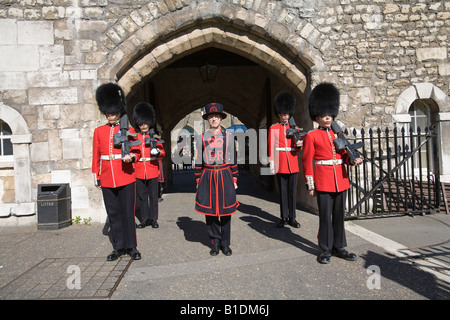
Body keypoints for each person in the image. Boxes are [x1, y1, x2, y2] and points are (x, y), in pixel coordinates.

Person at [302, 82, 363, 264]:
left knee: (338, 215)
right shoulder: (312, 136)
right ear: (317, 116)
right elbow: (307, 161)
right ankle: (325, 248)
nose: (327, 118)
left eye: (329, 115)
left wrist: (353, 160)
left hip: (340, 179)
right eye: (323, 115)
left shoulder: (339, 134)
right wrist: (310, 184)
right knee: (325, 216)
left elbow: (344, 156)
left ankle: (339, 246)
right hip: (323, 180)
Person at [92, 82, 141, 261]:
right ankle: (118, 247)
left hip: (126, 175)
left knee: (128, 213)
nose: (110, 114)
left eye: (113, 111)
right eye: (108, 111)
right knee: (113, 214)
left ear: (119, 110)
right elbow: (96, 155)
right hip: (106, 177)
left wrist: (132, 158)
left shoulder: (129, 129)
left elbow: (138, 151)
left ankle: (132, 246)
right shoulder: (99, 131)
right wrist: (96, 176)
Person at [194, 103, 239, 256]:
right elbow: (198, 160)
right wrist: (198, 180)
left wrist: (234, 179)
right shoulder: (201, 138)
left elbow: (233, 158)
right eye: (211, 116)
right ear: (208, 119)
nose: (214, 119)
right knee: (211, 212)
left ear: (220, 119)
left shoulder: (229, 137)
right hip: (208, 175)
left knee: (226, 211)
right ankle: (215, 242)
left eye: (216, 116)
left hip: (225, 174)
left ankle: (225, 243)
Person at [268, 92, 303, 228]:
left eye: (287, 114)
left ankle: (292, 217)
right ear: (279, 114)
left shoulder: (294, 128)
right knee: (283, 192)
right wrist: (272, 162)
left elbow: (298, 147)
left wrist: (299, 146)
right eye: (282, 114)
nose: (285, 116)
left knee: (292, 192)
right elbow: (271, 147)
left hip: (292, 162)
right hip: (280, 163)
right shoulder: (274, 128)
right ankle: (283, 217)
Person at [132, 102, 165, 229]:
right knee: (142, 196)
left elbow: (163, 152)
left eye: (145, 123)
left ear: (149, 123)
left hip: (152, 169)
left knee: (153, 196)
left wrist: (157, 153)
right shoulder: (135, 138)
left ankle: (154, 219)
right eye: (141, 123)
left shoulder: (155, 137)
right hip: (139, 170)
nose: (143, 125)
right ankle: (144, 219)